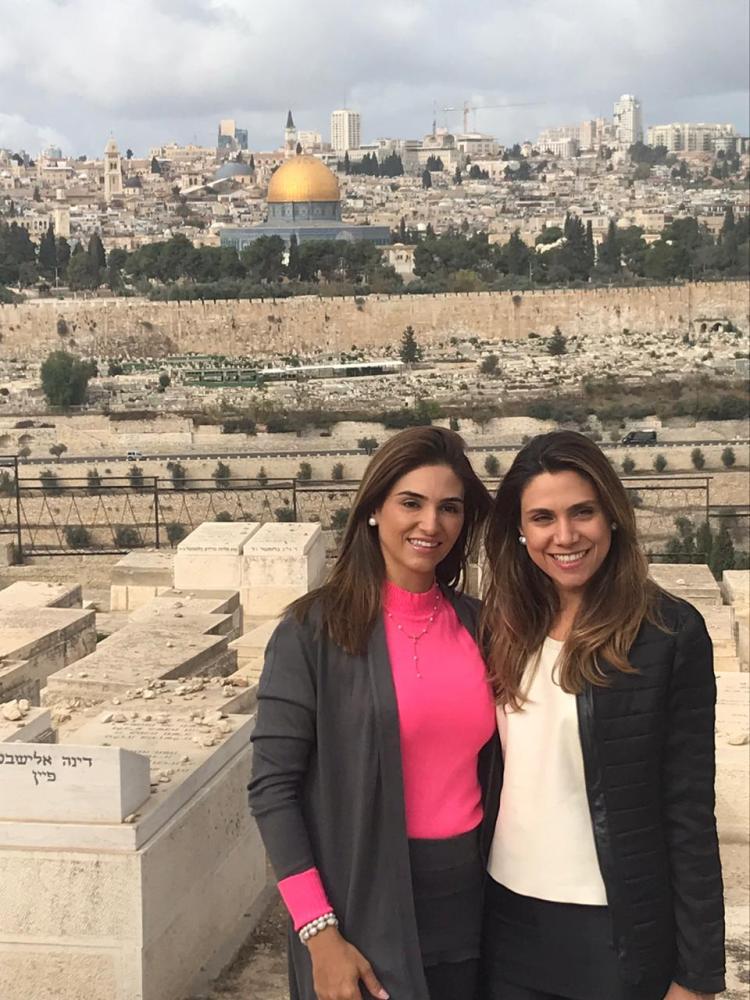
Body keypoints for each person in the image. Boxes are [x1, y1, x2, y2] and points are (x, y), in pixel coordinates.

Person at [248, 426, 501, 1000]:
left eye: (449, 508)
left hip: (470, 903)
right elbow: (272, 790)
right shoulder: (313, 632)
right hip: (360, 907)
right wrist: (320, 934)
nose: (430, 524)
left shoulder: (482, 627)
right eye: (411, 503)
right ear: (372, 511)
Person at [479, 430, 725, 1000]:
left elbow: (688, 808)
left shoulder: (667, 633)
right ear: (519, 531)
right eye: (542, 517)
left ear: (612, 516)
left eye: (582, 512)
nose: (564, 536)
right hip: (506, 919)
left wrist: (699, 975)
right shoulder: (503, 624)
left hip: (613, 929)